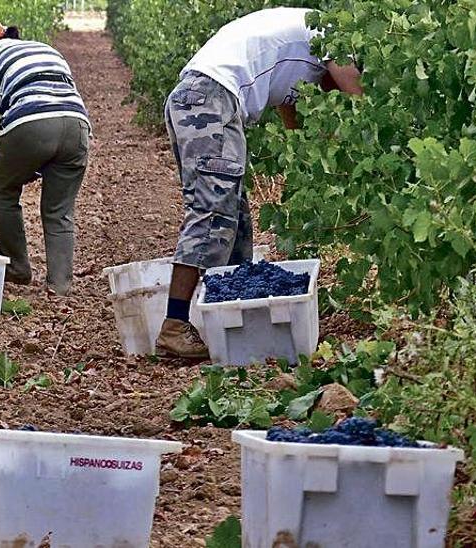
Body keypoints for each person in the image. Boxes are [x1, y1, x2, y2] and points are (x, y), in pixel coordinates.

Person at [155, 7, 364, 358]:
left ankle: (235, 321)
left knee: (235, 219)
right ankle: (174, 326)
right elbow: (358, 102)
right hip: (211, 99)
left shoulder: (301, 50)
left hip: (197, 97)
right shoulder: (334, 35)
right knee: (213, 214)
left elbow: (292, 117)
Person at [0, 21, 91, 296]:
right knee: (59, 211)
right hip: (77, 126)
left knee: (2, 191)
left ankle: (16, 268)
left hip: (30, 124)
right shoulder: (45, 49)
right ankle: (60, 285)